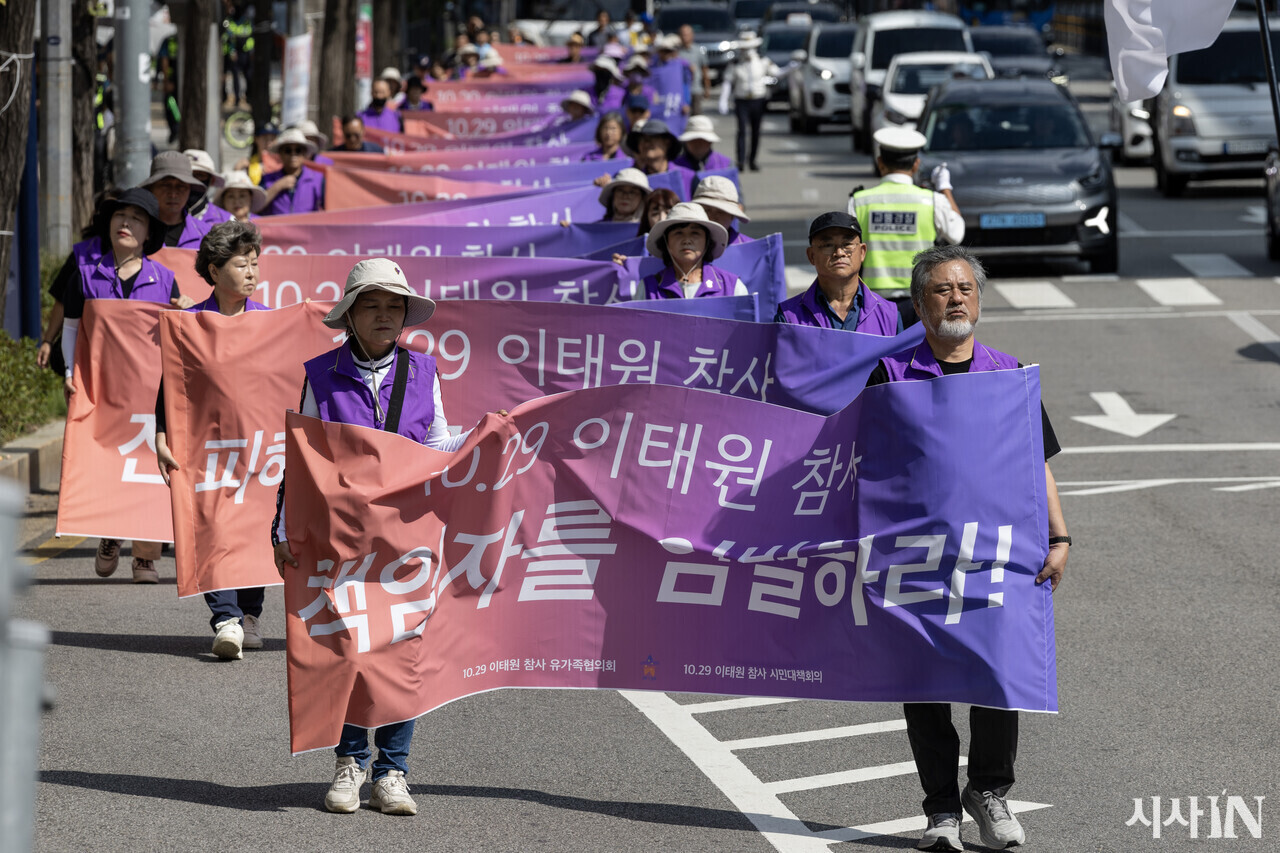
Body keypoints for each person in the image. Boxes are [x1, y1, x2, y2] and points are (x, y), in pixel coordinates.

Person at [864, 244, 1068, 852]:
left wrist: (1059, 536)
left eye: (965, 289)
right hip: (916, 555)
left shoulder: (1008, 375)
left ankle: (990, 792)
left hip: (995, 554)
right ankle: (940, 811)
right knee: (923, 680)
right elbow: (857, 459)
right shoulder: (891, 374)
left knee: (996, 675)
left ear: (978, 300)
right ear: (920, 303)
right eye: (941, 290)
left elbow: (1039, 463)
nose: (955, 298)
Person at [272, 259, 481, 817]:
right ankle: (348, 762)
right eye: (372, 305)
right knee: (346, 646)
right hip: (339, 538)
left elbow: (437, 444)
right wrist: (281, 526)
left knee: (401, 650)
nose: (385, 315)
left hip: (405, 537)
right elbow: (302, 458)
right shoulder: (321, 373)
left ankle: (392, 772)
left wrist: (482, 439)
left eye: (395, 306)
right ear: (350, 315)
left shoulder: (425, 371)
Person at [59, 188, 193, 583]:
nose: (126, 224)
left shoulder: (165, 279)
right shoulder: (85, 275)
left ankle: (145, 558)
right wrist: (70, 372)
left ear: (148, 231)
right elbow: (71, 328)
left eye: (136, 218)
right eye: (120, 216)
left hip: (150, 392)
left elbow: (175, 335)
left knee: (150, 469)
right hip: (104, 390)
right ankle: (110, 533)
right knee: (110, 464)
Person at [153, 220, 269, 659]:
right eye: (242, 264)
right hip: (207, 450)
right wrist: (161, 435)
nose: (252, 273)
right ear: (215, 270)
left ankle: (250, 612)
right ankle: (226, 618)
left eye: (256, 263)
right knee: (212, 527)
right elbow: (170, 386)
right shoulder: (191, 325)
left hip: (260, 450)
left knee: (256, 528)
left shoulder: (271, 323)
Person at [849, 127, 964, 325]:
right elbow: (957, 233)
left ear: (880, 163)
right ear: (916, 164)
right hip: (920, 300)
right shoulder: (932, 200)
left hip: (873, 303)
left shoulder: (859, 201)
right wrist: (945, 188)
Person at [774, 211, 900, 335]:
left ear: (862, 252)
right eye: (828, 245)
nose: (839, 253)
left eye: (847, 244)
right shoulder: (789, 317)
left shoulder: (889, 314)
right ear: (811, 255)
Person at [638, 202, 748, 299]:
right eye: (678, 233)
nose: (687, 240)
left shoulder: (732, 288)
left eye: (695, 233)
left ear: (707, 241)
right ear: (666, 241)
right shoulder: (648, 289)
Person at [723, 32, 778, 172]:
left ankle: (752, 160)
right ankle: (740, 161)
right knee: (742, 130)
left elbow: (777, 73)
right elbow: (728, 82)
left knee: (756, 131)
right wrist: (723, 99)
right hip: (741, 100)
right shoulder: (735, 63)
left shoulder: (762, 61)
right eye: (744, 48)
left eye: (750, 48)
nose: (747, 51)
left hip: (758, 100)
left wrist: (792, 66)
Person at [141, 151, 215, 249]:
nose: (173, 194)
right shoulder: (136, 233)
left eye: (181, 186)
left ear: (190, 189)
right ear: (151, 188)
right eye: (165, 185)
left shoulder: (207, 235)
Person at [261, 128, 325, 215]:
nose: (293, 154)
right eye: (288, 150)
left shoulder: (318, 179)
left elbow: (328, 210)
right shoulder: (267, 179)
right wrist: (277, 187)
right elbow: (256, 207)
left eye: (298, 150)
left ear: (304, 153)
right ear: (280, 154)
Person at [625, 119, 693, 186]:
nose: (646, 144)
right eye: (642, 139)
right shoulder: (633, 180)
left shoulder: (687, 177)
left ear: (667, 143)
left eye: (652, 138)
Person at [691, 176, 753, 244]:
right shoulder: (681, 247)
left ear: (732, 216)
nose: (713, 217)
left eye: (721, 212)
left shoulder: (750, 248)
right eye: (706, 210)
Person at [184, 149, 233, 226]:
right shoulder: (166, 216)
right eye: (190, 175)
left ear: (212, 180)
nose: (195, 181)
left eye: (201, 175)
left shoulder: (227, 221)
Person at [677, 25, 711, 116]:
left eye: (687, 35)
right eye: (683, 35)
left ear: (692, 35)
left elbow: (704, 70)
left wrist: (707, 87)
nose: (685, 37)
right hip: (681, 89)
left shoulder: (698, 50)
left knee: (697, 116)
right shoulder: (676, 52)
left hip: (695, 88)